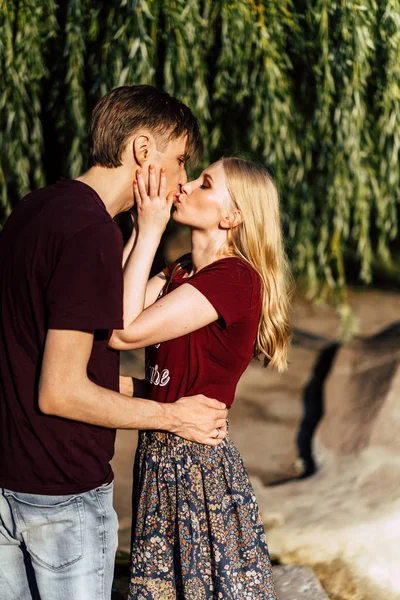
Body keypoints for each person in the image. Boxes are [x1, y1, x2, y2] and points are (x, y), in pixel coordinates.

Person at [0, 85, 228, 600]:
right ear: (144, 152)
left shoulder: (34, 210)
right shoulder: (89, 233)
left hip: (8, 483)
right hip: (60, 494)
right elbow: (60, 391)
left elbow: (46, 352)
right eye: (180, 160)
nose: (183, 180)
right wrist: (174, 417)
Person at [110, 156, 292, 599]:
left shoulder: (235, 280)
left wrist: (152, 231)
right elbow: (103, 309)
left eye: (205, 183)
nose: (186, 185)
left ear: (231, 217)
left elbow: (122, 330)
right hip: (158, 457)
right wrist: (137, 232)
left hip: (196, 468)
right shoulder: (181, 270)